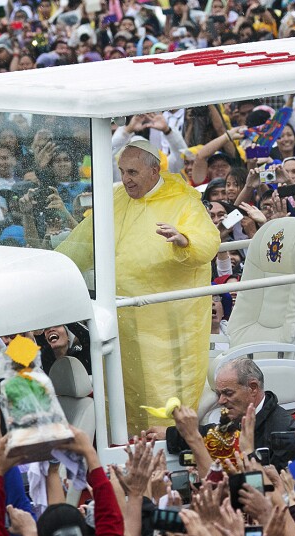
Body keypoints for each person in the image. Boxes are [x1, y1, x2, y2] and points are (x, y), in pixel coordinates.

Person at [57, 139, 220, 432]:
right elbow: (82, 242)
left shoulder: (182, 200)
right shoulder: (117, 198)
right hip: (120, 313)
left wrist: (184, 240)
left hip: (166, 321)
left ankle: (168, 441)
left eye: (132, 172)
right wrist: (54, 268)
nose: (125, 179)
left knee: (162, 388)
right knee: (123, 384)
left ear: (154, 170)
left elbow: (208, 241)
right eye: (122, 171)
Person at [147, 356, 295, 453]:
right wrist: (169, 434)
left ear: (253, 388)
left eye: (228, 393)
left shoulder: (284, 432)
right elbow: (211, 434)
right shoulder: (241, 419)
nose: (220, 401)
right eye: (219, 394)